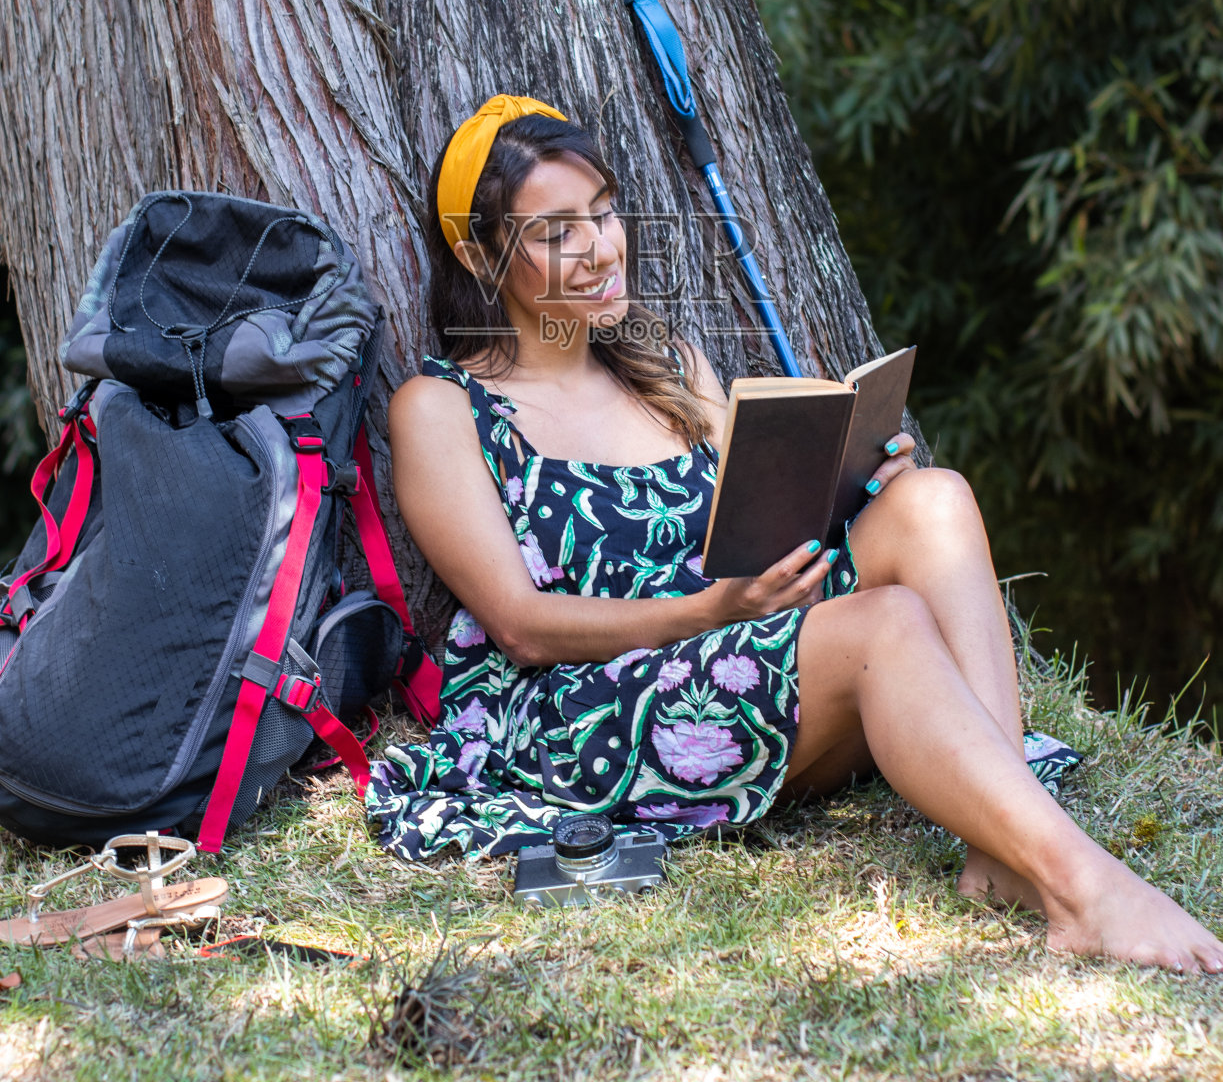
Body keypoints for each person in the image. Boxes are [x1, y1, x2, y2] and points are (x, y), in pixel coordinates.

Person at [367, 94, 1223, 974]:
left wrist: (853, 481)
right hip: (590, 706)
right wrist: (707, 612)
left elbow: (762, 517)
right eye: (555, 234)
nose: (599, 250)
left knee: (933, 498)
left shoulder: (660, 358)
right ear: (479, 254)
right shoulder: (443, 407)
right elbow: (518, 625)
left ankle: (1002, 854)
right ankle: (1084, 887)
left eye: (603, 213)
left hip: (738, 638)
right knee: (884, 624)